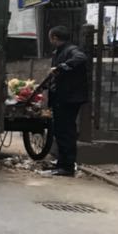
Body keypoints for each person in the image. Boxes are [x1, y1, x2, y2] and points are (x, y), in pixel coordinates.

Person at [43, 24, 89, 176]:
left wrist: (62, 67)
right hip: (62, 97)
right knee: (60, 131)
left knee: (66, 132)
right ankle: (61, 164)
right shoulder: (60, 51)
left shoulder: (71, 50)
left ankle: (67, 167)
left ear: (54, 38)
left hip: (69, 98)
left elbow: (81, 58)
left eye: (50, 38)